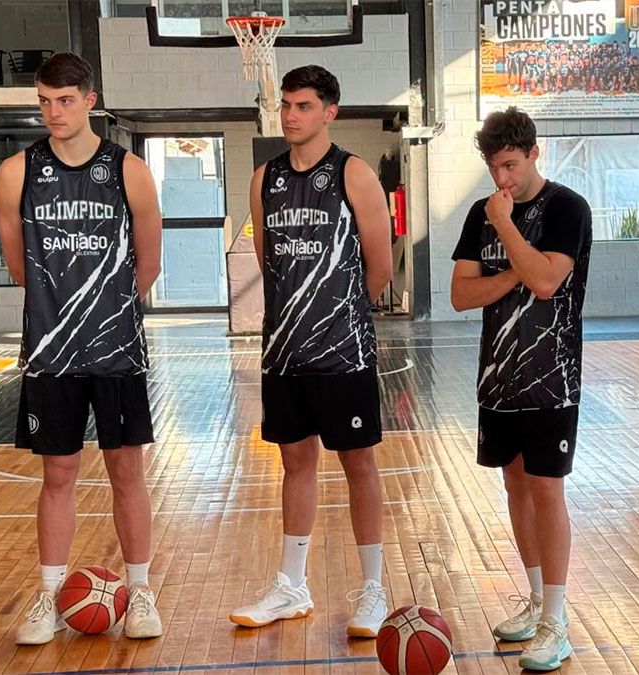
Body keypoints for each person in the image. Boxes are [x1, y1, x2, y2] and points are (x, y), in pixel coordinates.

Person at [0, 52, 164, 645]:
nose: (53, 112)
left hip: (116, 349)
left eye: (64, 100)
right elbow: (19, 267)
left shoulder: (129, 171)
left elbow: (149, 265)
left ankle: (140, 591)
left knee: (127, 471)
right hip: (50, 351)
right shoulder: (16, 172)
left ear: (90, 100)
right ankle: (47, 594)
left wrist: (103, 312)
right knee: (58, 473)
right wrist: (60, 310)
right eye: (43, 101)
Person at [227, 65, 394, 639]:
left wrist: (337, 317)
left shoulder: (354, 174)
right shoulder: (264, 180)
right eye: (286, 105)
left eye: (303, 106)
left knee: (358, 464)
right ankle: (291, 586)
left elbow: (380, 267)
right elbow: (269, 262)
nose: (291, 116)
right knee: (294, 463)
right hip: (283, 353)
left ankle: (372, 587)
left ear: (330, 112)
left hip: (343, 351)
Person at [450, 107, 592, 672]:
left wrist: (507, 231)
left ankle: (557, 620)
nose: (502, 179)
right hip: (497, 378)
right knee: (514, 485)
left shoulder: (566, 208)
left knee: (546, 490)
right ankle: (535, 601)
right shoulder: (478, 214)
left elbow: (547, 280)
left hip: (551, 378)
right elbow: (462, 295)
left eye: (510, 165)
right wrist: (512, 273)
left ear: (535, 153)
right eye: (494, 168)